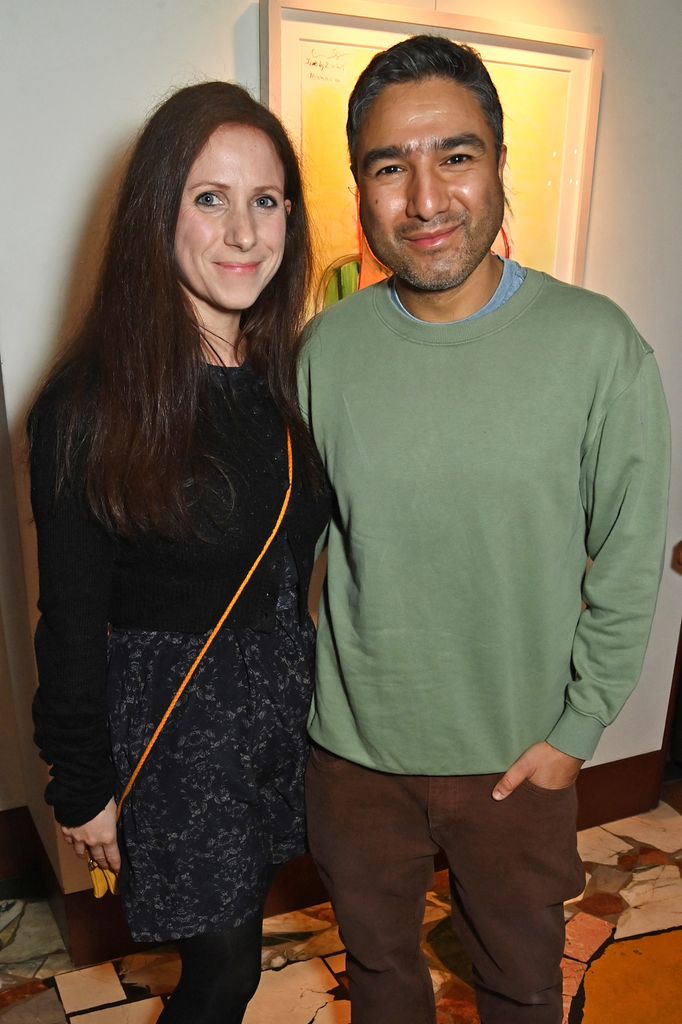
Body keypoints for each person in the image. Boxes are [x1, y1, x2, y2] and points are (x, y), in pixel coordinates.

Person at [298, 35, 670, 1024]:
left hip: (517, 760)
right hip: (353, 759)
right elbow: (305, 541)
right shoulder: (325, 350)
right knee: (381, 986)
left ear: (499, 164)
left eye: (454, 156)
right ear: (361, 187)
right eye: (390, 167)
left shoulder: (597, 346)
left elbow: (630, 556)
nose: (425, 199)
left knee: (519, 990)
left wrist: (577, 732)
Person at [29, 81, 328, 1024]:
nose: (244, 232)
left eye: (265, 200)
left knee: (238, 953)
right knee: (225, 972)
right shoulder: (88, 404)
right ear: (157, 212)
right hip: (176, 735)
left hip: (273, 720)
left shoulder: (286, 380)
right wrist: (82, 788)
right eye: (210, 197)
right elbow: (68, 618)